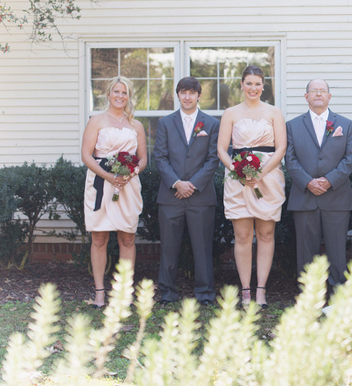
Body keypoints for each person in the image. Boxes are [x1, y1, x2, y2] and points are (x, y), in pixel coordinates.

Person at [218, 65, 286, 307]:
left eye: (258, 84)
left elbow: (281, 148)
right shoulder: (231, 113)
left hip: (268, 178)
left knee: (266, 234)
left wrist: (261, 173)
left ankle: (261, 289)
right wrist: (238, 171)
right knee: (243, 235)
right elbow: (221, 149)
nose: (253, 88)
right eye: (249, 83)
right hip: (239, 180)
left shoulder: (274, 112)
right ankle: (245, 289)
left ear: (263, 86)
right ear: (241, 85)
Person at [153, 77, 220, 306]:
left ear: (199, 95)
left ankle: (205, 294)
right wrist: (176, 183)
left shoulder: (210, 124)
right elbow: (160, 157)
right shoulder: (165, 123)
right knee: (169, 247)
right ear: (178, 95)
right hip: (170, 195)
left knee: (202, 248)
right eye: (183, 92)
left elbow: (213, 159)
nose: (188, 97)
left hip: (200, 196)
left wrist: (192, 184)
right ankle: (168, 293)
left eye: (192, 92)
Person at [285, 79, 352, 292]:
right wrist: (308, 182)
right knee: (306, 252)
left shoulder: (346, 124)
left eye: (322, 91)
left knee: (337, 251)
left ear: (329, 96)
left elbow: (349, 159)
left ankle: (337, 296)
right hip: (304, 197)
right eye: (313, 91)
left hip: (336, 197)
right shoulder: (292, 126)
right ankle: (308, 296)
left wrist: (328, 181)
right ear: (306, 97)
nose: (318, 94)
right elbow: (290, 159)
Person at [81, 76, 146, 308]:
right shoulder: (96, 121)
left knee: (127, 237)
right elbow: (86, 155)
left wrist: (132, 172)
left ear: (129, 96)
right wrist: (108, 176)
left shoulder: (136, 125)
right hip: (101, 182)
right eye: (116, 91)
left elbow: (143, 157)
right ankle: (100, 292)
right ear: (108, 94)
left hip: (128, 185)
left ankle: (123, 292)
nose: (120, 96)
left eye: (125, 92)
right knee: (99, 238)